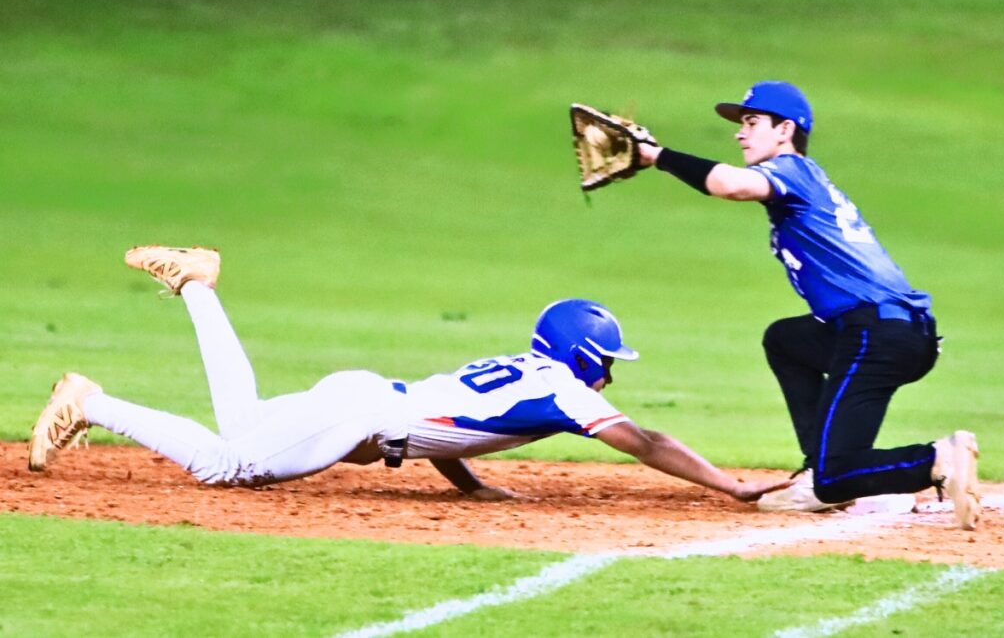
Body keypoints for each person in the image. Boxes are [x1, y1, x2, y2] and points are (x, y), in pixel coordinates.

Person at [28, 245, 791, 504]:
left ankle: (194, 286)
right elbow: (647, 440)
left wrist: (472, 482)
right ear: (587, 355)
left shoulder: (530, 370)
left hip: (362, 398)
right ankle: (98, 396)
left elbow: (452, 423)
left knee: (241, 421)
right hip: (361, 415)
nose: (608, 379)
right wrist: (728, 484)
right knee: (230, 464)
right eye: (608, 363)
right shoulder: (562, 389)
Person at [635, 80, 981, 529]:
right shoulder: (807, 179)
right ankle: (822, 471)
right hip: (892, 332)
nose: (741, 133)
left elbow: (729, 185)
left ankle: (935, 460)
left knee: (835, 478)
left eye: (752, 122)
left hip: (877, 335)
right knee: (786, 339)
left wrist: (655, 156)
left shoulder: (792, 171)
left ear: (785, 130)